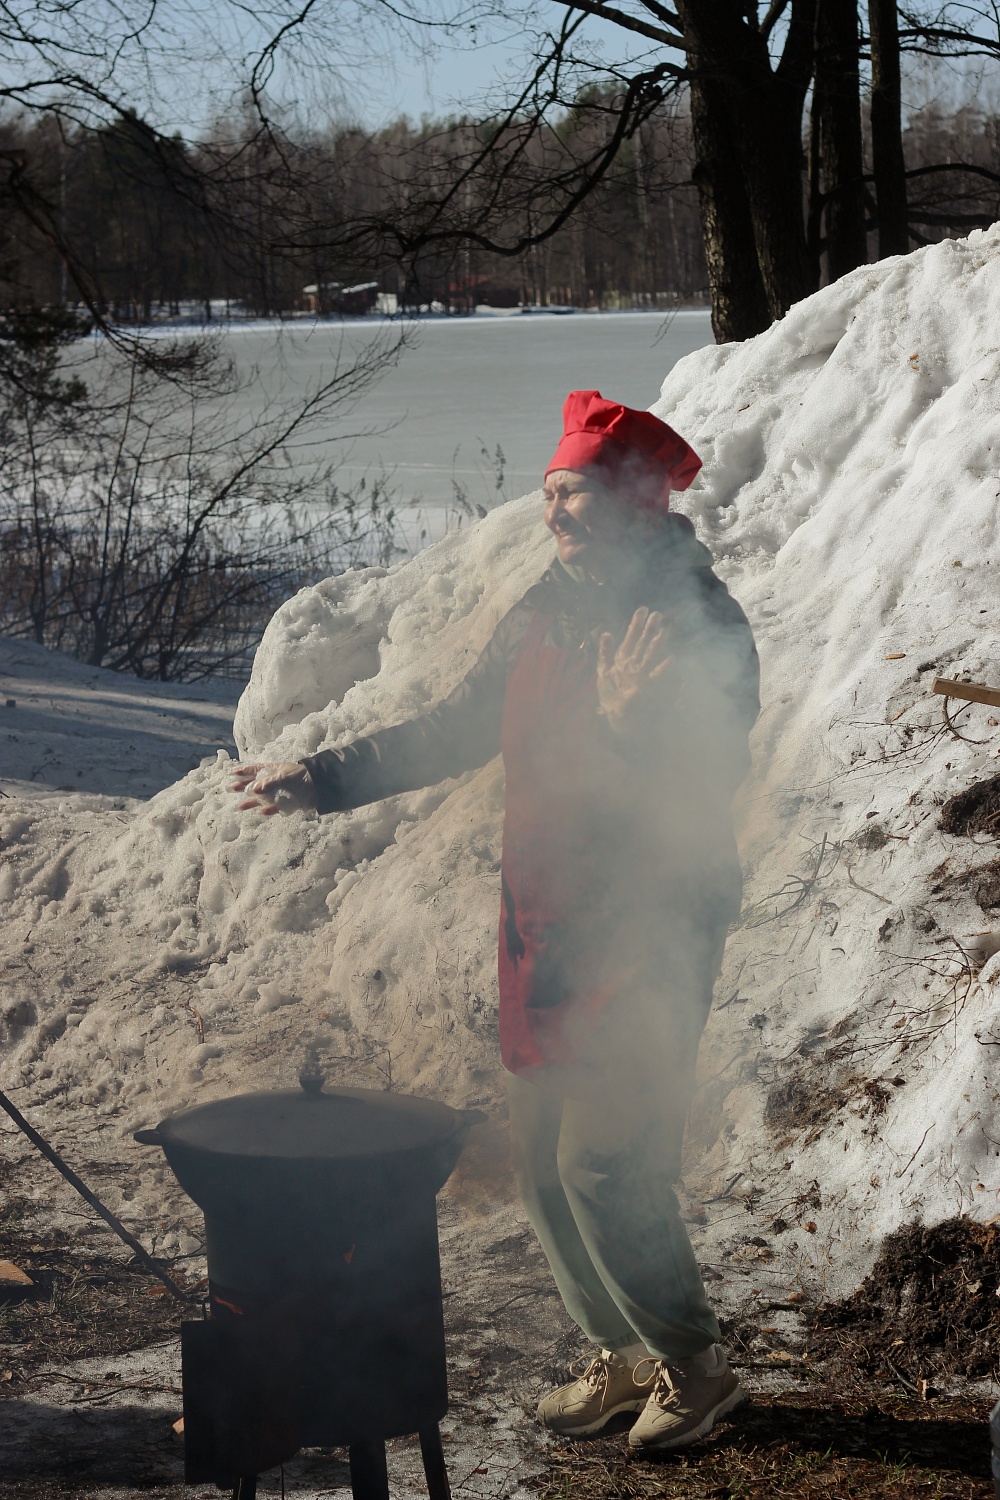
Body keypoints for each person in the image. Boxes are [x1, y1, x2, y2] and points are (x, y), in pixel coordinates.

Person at [233, 390, 760, 1452]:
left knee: (607, 1163)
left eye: (573, 493)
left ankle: (696, 1365)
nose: (554, 513)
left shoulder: (694, 620)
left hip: (647, 922)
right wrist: (322, 776)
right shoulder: (550, 602)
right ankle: (620, 1352)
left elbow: (707, 777)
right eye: (549, 493)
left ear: (632, 503)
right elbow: (455, 726)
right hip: (547, 916)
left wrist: (625, 728)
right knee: (540, 1163)